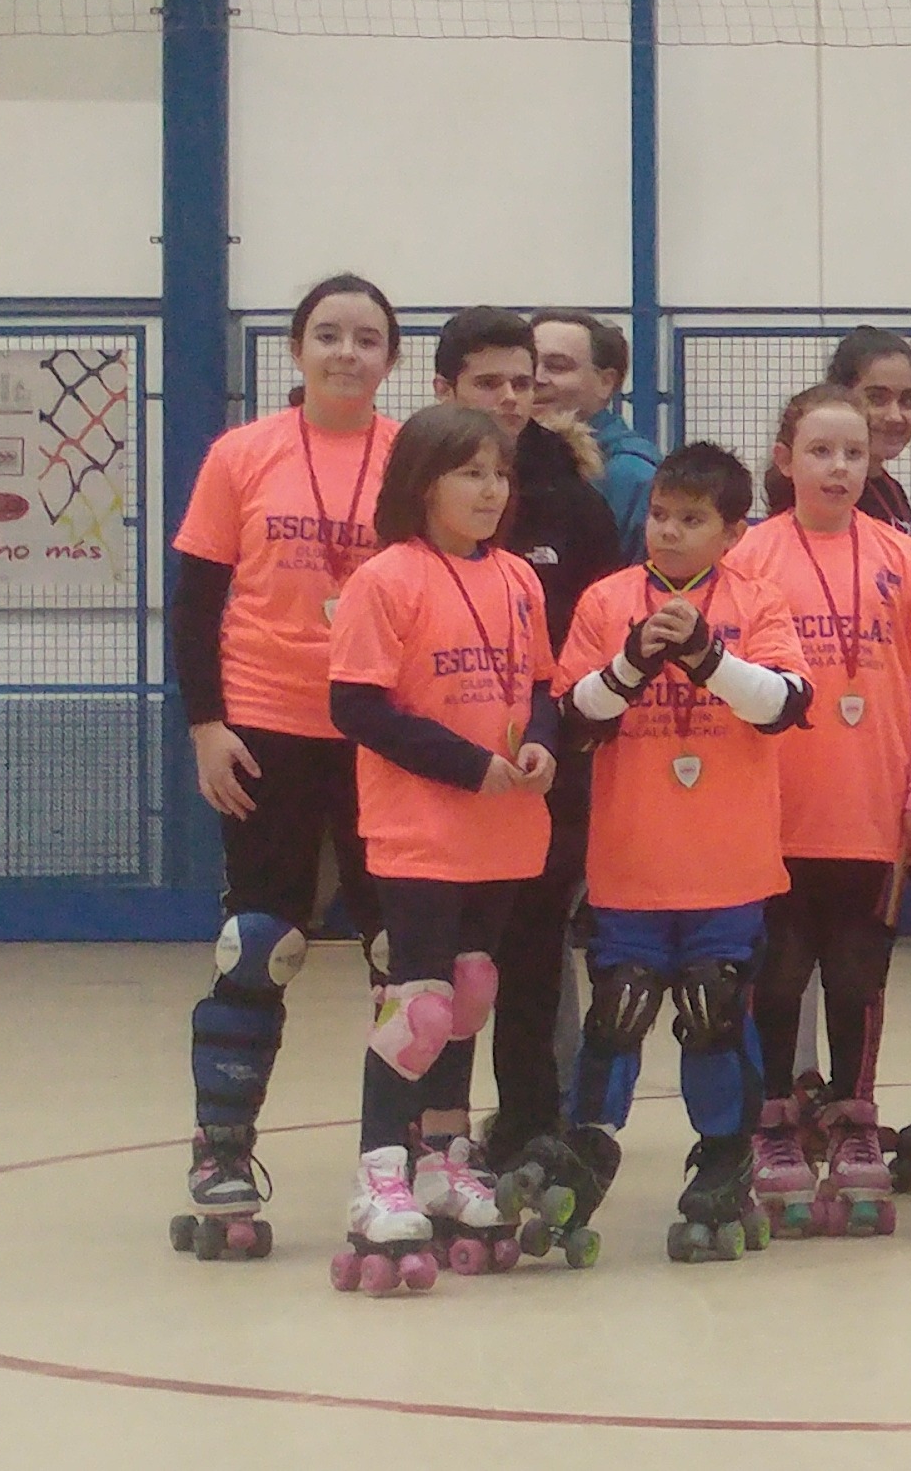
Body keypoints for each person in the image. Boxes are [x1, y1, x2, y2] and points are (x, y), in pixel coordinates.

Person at [171, 274, 401, 1260]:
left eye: (367, 338)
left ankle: (405, 1154)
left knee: (401, 953)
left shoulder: (413, 459)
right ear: (299, 350)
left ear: (390, 359)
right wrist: (205, 725)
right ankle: (222, 1147)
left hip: (381, 732)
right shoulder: (243, 454)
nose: (347, 352)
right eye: (329, 335)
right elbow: (196, 598)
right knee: (259, 941)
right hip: (265, 723)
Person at [552, 442, 813, 1260]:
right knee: (620, 1007)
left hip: (727, 865)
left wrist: (705, 655)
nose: (667, 531)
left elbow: (784, 703)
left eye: (691, 520)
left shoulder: (759, 600)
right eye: (661, 515)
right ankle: (587, 1145)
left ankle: (726, 1156)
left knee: (712, 1008)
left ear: (733, 533)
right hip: (631, 862)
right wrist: (633, 660)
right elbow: (574, 715)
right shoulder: (606, 600)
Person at [323, 404, 560, 1292]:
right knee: (418, 1006)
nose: (491, 491)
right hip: (421, 829)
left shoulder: (519, 579)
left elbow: (542, 686)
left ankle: (443, 1160)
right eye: (471, 473)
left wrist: (542, 744)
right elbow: (357, 706)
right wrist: (467, 765)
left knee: (467, 995)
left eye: (500, 474)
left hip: (502, 828)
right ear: (424, 484)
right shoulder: (385, 579)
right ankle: (380, 1167)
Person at [723, 386, 911, 1229]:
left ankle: (857, 1123)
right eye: (820, 451)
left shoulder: (906, 559)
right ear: (784, 460)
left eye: (854, 453)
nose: (838, 468)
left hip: (873, 811)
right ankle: (775, 1122)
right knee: (779, 974)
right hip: (774, 814)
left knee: (859, 976)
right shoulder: (747, 558)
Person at [428, 306, 627, 1179]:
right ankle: (427, 1134)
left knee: (535, 954)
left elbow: (593, 637)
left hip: (547, 769)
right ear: (446, 389)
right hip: (438, 774)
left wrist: (564, 737)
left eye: (522, 381)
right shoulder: (413, 495)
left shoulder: (573, 501)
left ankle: (529, 1122)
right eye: (489, 383)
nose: (512, 398)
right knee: (438, 965)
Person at [761, 328, 911, 528]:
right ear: (841, 398)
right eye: (876, 398)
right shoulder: (829, 497)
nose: (895, 416)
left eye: (908, 400)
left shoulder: (890, 489)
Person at [532, 311, 652, 536]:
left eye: (557, 366)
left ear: (606, 382)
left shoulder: (631, 476)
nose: (536, 378)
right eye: (529, 364)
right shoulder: (504, 461)